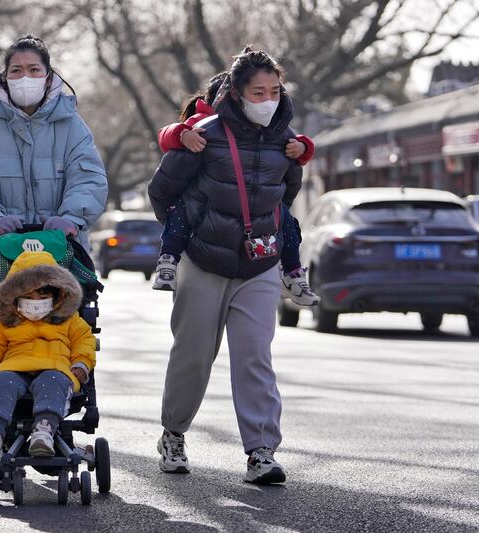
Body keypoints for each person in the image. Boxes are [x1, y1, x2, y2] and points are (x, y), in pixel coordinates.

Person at [148, 46, 301, 484]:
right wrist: (193, 231)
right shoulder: (202, 134)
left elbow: (286, 196)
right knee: (193, 356)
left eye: (275, 90)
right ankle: (173, 433)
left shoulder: (287, 140)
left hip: (258, 265)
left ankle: (261, 452)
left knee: (255, 357)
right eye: (259, 91)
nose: (268, 99)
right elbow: (162, 191)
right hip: (204, 261)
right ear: (236, 93)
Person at [152, 73, 318, 308]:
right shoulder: (203, 124)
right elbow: (165, 137)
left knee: (286, 220)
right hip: (203, 216)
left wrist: (303, 146)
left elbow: (297, 160)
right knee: (180, 212)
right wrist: (183, 134)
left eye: (271, 93)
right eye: (257, 93)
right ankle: (168, 258)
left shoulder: (270, 129)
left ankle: (292, 273)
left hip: (254, 232)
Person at [0, 35, 108, 282]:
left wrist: (71, 218)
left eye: (34, 69)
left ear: (48, 77)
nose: (25, 77)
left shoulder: (72, 126)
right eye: (16, 70)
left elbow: (88, 179)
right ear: (5, 77)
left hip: (62, 255)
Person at [0, 250, 96, 465]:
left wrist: (82, 363)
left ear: (57, 293)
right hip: (14, 366)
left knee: (52, 382)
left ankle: (43, 431)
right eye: (28, 297)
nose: (35, 302)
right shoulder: (3, 317)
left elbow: (84, 340)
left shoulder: (68, 317)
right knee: (0, 382)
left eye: (42, 297)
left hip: (56, 367)